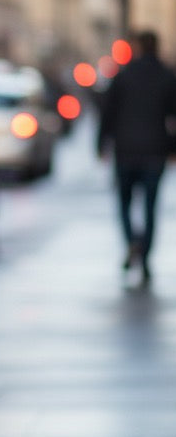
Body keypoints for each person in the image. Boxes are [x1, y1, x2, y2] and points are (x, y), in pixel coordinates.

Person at [97, 30, 176, 284]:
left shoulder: (123, 76)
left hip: (126, 150)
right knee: (151, 206)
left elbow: (107, 113)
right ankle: (145, 255)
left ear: (138, 48)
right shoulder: (167, 76)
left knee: (124, 203)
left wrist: (101, 144)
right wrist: (173, 148)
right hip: (155, 150)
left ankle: (132, 241)